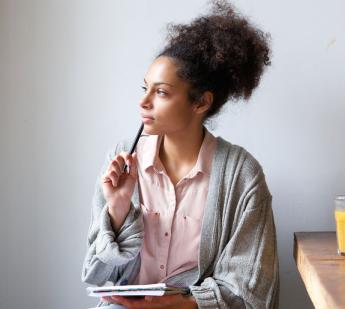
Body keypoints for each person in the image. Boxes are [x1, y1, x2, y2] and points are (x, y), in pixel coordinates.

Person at [81, 1, 279, 308]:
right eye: (144, 88)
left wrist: (183, 304)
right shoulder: (121, 158)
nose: (143, 102)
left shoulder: (242, 175)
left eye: (160, 92)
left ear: (200, 103)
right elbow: (98, 273)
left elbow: (252, 288)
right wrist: (118, 209)